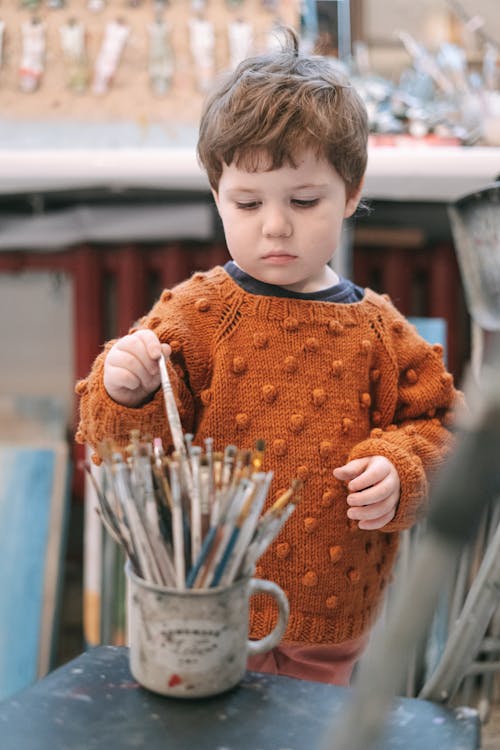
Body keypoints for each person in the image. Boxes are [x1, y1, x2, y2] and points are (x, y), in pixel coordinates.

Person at [76, 28, 461, 686]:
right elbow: (115, 448)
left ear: (351, 191)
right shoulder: (196, 314)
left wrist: (405, 471)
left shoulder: (379, 330)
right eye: (247, 203)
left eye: (304, 201)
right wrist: (125, 392)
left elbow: (444, 427)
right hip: (200, 605)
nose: (275, 225)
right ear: (215, 194)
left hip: (336, 617)